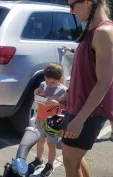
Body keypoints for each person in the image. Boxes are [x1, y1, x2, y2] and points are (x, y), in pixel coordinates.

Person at [59, 0, 113, 177]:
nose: (70, 11)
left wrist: (80, 119)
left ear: (88, 2)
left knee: (70, 161)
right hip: (77, 106)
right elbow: (84, 73)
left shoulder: (104, 32)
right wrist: (69, 95)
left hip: (90, 111)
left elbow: (105, 81)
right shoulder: (92, 31)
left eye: (72, 5)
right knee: (72, 160)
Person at [28, 63, 67, 177]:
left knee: (51, 145)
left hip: (53, 123)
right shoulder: (43, 84)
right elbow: (38, 90)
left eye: (52, 83)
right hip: (40, 118)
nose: (49, 84)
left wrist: (56, 103)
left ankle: (50, 165)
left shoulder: (63, 90)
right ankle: (38, 160)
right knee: (40, 141)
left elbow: (66, 107)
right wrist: (36, 92)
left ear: (61, 79)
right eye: (46, 80)